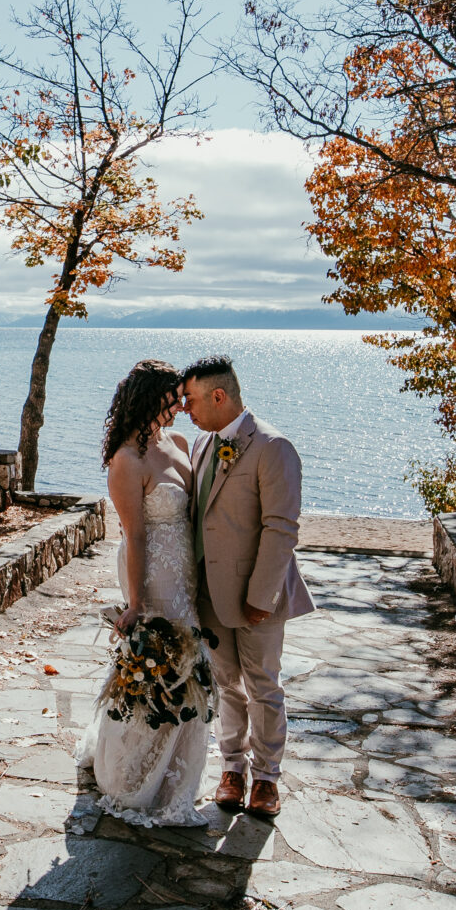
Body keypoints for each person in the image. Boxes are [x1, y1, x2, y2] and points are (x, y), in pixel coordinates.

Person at [81, 358, 216, 827]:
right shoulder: (126, 460)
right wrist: (137, 603)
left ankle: (177, 775)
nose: (180, 406)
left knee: (189, 661)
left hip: (185, 571)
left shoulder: (177, 442)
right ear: (148, 398)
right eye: (172, 398)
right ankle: (131, 777)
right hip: (151, 573)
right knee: (158, 663)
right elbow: (134, 536)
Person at [182, 354, 315, 821]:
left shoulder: (273, 447)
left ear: (220, 396)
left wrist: (262, 597)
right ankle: (232, 770)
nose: (186, 408)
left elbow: (281, 528)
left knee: (263, 687)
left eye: (192, 399)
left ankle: (266, 779)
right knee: (226, 687)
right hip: (209, 596)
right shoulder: (201, 446)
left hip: (256, 597)